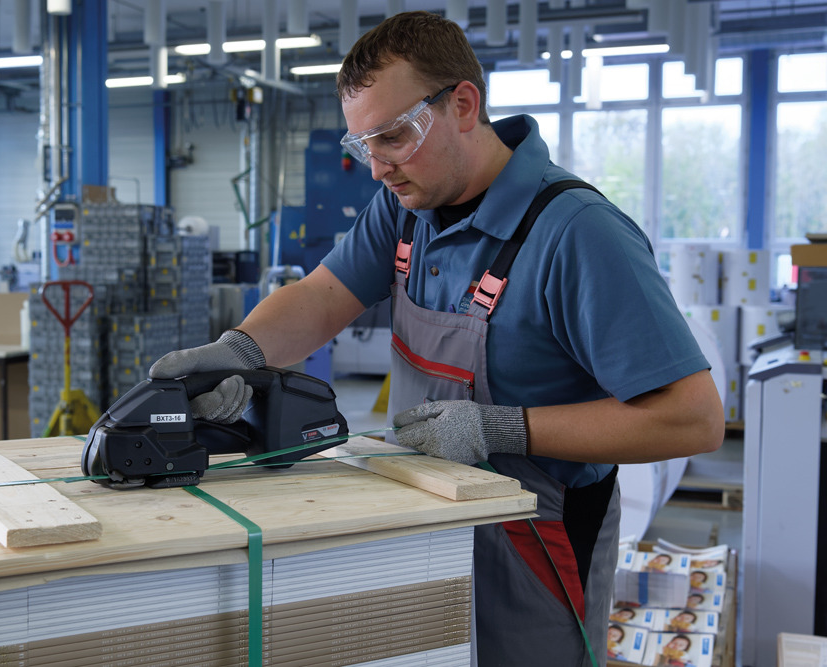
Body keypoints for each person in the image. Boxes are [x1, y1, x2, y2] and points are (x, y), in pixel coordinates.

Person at [149, 10, 724, 665]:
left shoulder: (578, 236)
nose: (376, 167)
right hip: (423, 532)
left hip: (534, 554)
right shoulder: (405, 209)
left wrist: (502, 429)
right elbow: (322, 295)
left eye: (394, 135)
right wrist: (239, 354)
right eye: (363, 144)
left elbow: (695, 418)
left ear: (463, 105)